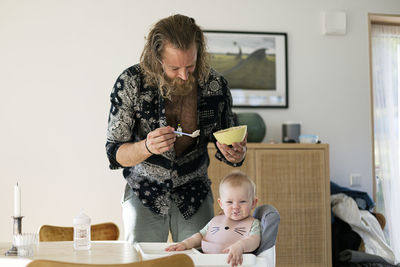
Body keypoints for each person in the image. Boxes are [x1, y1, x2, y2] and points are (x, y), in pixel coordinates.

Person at [105, 14, 247, 243]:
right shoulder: (131, 82)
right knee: (144, 262)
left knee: (198, 260)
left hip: (194, 193)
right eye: (174, 67)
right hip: (144, 192)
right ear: (156, 58)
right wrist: (147, 146)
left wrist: (236, 152)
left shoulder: (215, 86)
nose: (183, 75)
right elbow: (115, 153)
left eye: (190, 66)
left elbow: (227, 146)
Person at [165, 171, 260, 267]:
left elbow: (255, 240)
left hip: (235, 263)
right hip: (209, 263)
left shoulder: (253, 223)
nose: (235, 207)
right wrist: (186, 243)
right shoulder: (216, 221)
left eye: (242, 201)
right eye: (229, 202)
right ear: (221, 203)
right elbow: (200, 236)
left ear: (253, 203)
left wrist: (240, 246)